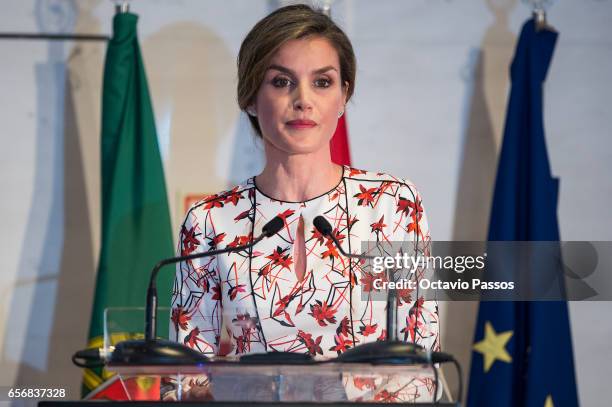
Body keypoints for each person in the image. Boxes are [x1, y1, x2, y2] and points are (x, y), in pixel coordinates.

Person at [167, 4, 439, 402]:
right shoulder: (210, 220)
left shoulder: (392, 205)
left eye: (323, 82)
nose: (303, 100)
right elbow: (180, 379)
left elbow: (420, 362)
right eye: (281, 82)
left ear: (344, 95)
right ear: (250, 98)